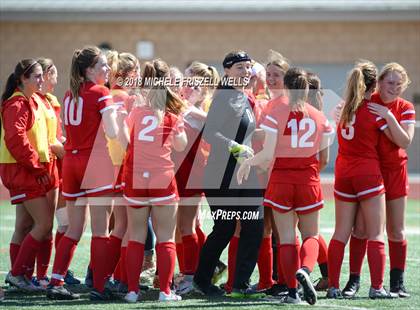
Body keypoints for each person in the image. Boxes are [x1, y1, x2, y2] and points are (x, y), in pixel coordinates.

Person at [238, 67, 333, 305]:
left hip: (280, 179)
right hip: (308, 179)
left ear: (287, 87)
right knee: (311, 234)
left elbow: (267, 155)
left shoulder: (275, 112)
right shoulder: (319, 116)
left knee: (287, 239)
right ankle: (306, 271)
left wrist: (247, 162)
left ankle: (292, 292)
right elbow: (325, 159)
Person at [46, 46, 119, 300]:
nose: (108, 69)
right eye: (103, 66)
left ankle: (55, 282)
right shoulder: (102, 92)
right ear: (88, 70)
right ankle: (99, 287)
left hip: (72, 163)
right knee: (101, 231)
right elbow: (112, 132)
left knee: (74, 229)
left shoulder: (68, 94)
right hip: (95, 164)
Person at [193, 50, 264, 298]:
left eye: (248, 67)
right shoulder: (224, 97)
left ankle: (241, 285)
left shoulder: (243, 96)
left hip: (246, 172)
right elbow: (209, 133)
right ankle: (201, 280)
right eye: (239, 68)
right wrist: (233, 146)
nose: (245, 72)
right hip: (221, 174)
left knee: (254, 226)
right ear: (227, 71)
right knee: (224, 228)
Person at [342, 62, 416, 298]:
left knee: (396, 230)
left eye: (398, 84)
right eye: (389, 82)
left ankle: (397, 281)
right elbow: (346, 113)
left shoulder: (405, 107)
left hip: (395, 172)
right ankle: (353, 280)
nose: (393, 87)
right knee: (361, 229)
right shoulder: (368, 100)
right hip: (371, 171)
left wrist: (389, 117)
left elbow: (405, 141)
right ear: (379, 82)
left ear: (404, 86)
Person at [122, 58, 187, 303]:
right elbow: (180, 145)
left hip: (136, 177)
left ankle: (132, 291)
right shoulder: (171, 114)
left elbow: (126, 138)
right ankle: (165, 292)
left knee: (136, 236)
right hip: (162, 177)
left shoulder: (137, 111)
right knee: (166, 237)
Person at [327, 60, 389, 299]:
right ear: (373, 86)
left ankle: (333, 287)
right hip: (367, 173)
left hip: (343, 174)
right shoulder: (374, 109)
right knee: (375, 233)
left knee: (340, 233)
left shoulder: (342, 108)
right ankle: (377, 287)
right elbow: (400, 140)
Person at [1, 59, 53, 292]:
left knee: (24, 224)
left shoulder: (30, 101)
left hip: (24, 168)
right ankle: (16, 274)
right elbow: (15, 140)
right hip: (22, 169)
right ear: (23, 78)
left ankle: (21, 276)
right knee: (44, 224)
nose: (42, 80)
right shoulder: (17, 104)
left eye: (43, 75)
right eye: (38, 76)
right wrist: (36, 166)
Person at [173, 61, 220, 295]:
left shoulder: (200, 109)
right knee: (184, 226)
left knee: (186, 225)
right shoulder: (187, 108)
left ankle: (191, 275)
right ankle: (193, 271)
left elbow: (212, 124)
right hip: (179, 170)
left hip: (193, 171)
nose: (184, 87)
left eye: (190, 83)